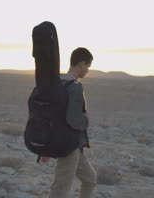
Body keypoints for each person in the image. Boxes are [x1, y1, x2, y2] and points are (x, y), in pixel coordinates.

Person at [41, 47, 97, 198]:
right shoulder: (75, 87)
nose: (87, 70)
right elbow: (74, 120)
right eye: (87, 66)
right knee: (61, 187)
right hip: (69, 144)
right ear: (81, 64)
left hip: (69, 143)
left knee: (90, 179)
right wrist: (86, 121)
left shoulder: (57, 82)